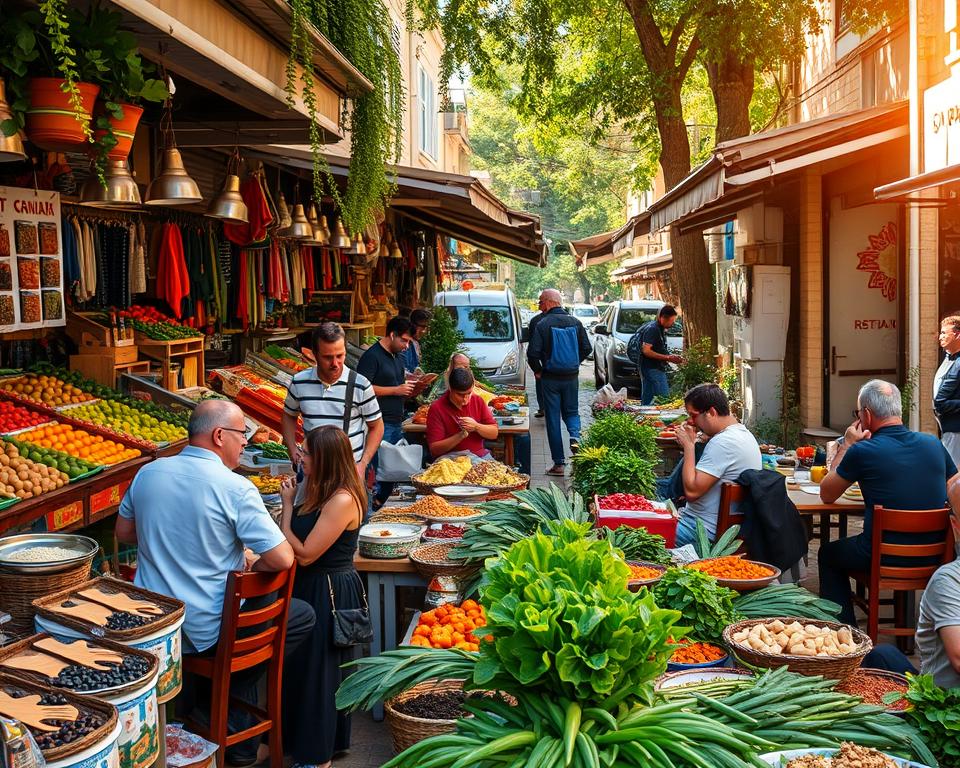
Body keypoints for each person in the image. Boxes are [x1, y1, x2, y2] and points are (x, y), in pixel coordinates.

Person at [115, 401, 315, 766]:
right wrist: (245, 558)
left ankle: (214, 717)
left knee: (255, 628)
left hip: (154, 624)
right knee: (298, 615)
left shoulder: (148, 472)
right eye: (242, 436)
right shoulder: (234, 487)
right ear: (219, 435)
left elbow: (125, 531)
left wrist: (170, 544)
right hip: (207, 631)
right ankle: (219, 715)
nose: (245, 445)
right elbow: (284, 559)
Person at [819, 379, 958, 624]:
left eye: (858, 413)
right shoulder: (933, 444)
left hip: (880, 554)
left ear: (867, 415)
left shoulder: (863, 451)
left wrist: (848, 443)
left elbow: (827, 493)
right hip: (935, 554)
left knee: (828, 554)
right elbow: (954, 486)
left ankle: (845, 633)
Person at [278, 426, 367, 768]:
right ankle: (314, 742)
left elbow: (305, 554)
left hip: (327, 590)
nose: (300, 456)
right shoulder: (317, 489)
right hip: (311, 586)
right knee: (307, 669)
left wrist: (287, 507)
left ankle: (318, 755)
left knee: (320, 673)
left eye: (307, 452)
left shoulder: (342, 499)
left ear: (325, 459)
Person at [281, 323, 384, 484]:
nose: (335, 363)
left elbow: (377, 426)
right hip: (312, 474)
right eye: (328, 357)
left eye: (340, 356)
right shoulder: (299, 382)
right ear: (314, 354)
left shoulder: (360, 385)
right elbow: (288, 415)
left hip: (349, 473)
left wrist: (363, 464)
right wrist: (292, 448)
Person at [673, 383, 762, 546]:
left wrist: (689, 446)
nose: (691, 422)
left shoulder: (724, 442)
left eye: (693, 416)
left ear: (711, 412)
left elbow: (692, 492)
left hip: (700, 532)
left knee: (632, 531)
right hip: (716, 528)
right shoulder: (743, 434)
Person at [526, 288, 592, 476]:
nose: (540, 306)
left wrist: (538, 371)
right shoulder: (575, 322)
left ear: (549, 302)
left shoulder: (542, 324)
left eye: (540, 302)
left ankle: (559, 464)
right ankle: (575, 437)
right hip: (571, 378)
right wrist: (574, 362)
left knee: (553, 419)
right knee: (572, 412)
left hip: (550, 379)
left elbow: (532, 354)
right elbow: (587, 348)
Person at [357, 317, 415, 506]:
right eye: (404, 340)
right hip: (378, 423)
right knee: (380, 470)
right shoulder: (372, 357)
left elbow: (397, 383)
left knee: (391, 471)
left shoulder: (398, 356)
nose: (406, 346)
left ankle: (380, 503)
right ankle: (371, 506)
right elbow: (362, 388)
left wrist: (410, 388)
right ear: (392, 335)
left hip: (396, 420)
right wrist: (396, 390)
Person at [426, 367, 498, 459]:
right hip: (450, 460)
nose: (465, 399)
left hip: (479, 456)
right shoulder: (437, 408)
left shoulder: (478, 400)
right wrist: (461, 435)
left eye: (469, 393)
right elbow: (435, 449)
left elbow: (494, 433)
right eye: (460, 395)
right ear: (450, 389)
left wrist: (476, 427)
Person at [635, 304, 683, 405]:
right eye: (671, 320)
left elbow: (658, 348)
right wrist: (668, 358)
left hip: (651, 367)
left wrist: (670, 356)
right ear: (663, 318)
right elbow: (646, 351)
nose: (672, 323)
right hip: (652, 368)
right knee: (664, 398)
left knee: (648, 398)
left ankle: (645, 416)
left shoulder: (658, 328)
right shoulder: (653, 329)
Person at [934, 314, 960, 467]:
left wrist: (940, 405)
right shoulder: (947, 356)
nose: (940, 336)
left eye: (944, 333)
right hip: (946, 426)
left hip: (955, 429)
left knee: (951, 473)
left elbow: (941, 402)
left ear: (957, 334)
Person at [526, 300, 546, 418]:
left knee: (541, 384)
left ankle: (543, 408)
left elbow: (532, 348)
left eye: (540, 302)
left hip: (542, 361)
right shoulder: (570, 320)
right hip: (563, 365)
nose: (538, 305)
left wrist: (536, 369)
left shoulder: (536, 320)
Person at [403, 308, 431, 372]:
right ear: (412, 325)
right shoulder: (403, 343)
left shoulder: (415, 343)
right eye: (423, 327)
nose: (424, 331)